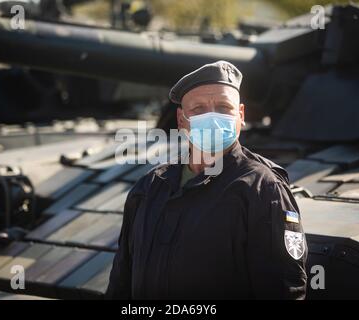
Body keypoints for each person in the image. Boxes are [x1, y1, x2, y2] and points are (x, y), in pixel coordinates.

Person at [106, 60, 308, 299]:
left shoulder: (263, 190)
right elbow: (122, 280)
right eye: (199, 109)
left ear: (240, 115)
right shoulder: (150, 187)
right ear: (181, 120)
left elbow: (285, 291)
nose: (212, 118)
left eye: (223, 108)